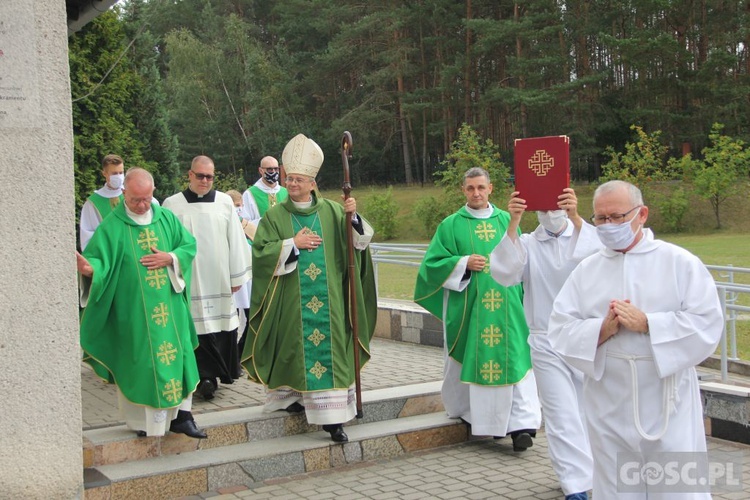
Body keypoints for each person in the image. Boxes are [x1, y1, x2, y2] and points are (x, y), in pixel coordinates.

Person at [548, 180, 723, 499]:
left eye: (616, 217)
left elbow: (707, 323)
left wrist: (650, 324)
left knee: (674, 486)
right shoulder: (587, 270)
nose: (607, 226)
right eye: (600, 219)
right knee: (616, 486)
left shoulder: (678, 262)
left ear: (641, 214)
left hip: (666, 400)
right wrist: (600, 330)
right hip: (609, 402)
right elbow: (559, 329)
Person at [241, 133, 377, 443]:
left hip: (331, 302)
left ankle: (333, 420)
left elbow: (359, 242)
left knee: (330, 353)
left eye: (299, 180)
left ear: (312, 183)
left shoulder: (332, 211)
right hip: (290, 303)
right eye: (290, 179)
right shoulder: (275, 215)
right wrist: (292, 244)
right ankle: (293, 399)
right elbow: (261, 253)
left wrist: (353, 216)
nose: (291, 184)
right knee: (293, 350)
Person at [414, 167, 541, 451]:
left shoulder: (507, 219)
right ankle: (483, 421)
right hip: (470, 307)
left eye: (481, 187)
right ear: (463, 190)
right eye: (470, 188)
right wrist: (461, 264)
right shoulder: (450, 225)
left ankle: (522, 425)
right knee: (476, 358)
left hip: (508, 306)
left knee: (516, 358)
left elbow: (520, 259)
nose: (476, 193)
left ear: (491, 188)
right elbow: (431, 267)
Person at [77, 167, 206, 438]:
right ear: (124, 193)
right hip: (134, 312)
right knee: (140, 363)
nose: (142, 204)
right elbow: (100, 261)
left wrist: (171, 258)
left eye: (147, 198)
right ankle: (146, 425)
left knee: (179, 356)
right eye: (136, 199)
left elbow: (188, 246)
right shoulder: (112, 226)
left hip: (171, 309)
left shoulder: (166, 219)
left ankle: (182, 417)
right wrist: (92, 270)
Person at [490, 188, 601, 499]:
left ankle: (598, 474)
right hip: (546, 338)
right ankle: (576, 484)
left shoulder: (583, 236)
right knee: (560, 414)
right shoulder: (527, 243)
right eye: (543, 207)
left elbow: (601, 258)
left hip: (586, 337)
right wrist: (513, 222)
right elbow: (504, 272)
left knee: (590, 411)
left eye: (556, 206)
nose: (550, 213)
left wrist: (577, 217)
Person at [163, 156, 252, 401]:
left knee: (220, 328)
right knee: (194, 328)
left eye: (209, 176)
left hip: (219, 278)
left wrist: (237, 277)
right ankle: (201, 377)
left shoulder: (224, 202)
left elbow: (236, 239)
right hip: (186, 280)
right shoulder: (172, 205)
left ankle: (215, 375)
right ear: (189, 175)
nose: (204, 180)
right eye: (200, 175)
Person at [79, 154, 125, 250]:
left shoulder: (132, 195)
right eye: (114, 173)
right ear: (104, 173)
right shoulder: (93, 203)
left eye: (121, 172)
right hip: (108, 253)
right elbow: (88, 236)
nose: (119, 176)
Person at [240, 155, 288, 226]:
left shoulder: (286, 192)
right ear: (261, 170)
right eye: (270, 169)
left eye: (276, 169)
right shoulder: (249, 194)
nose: (273, 172)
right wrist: (266, 221)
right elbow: (245, 224)